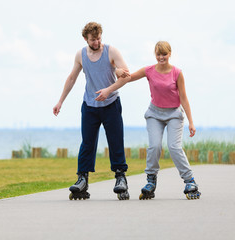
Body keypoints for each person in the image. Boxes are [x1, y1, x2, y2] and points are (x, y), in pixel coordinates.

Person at [97, 41, 201, 200]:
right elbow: (128, 77)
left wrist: (191, 122)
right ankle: (151, 180)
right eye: (158, 54)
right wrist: (117, 71)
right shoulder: (149, 71)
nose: (161, 57)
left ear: (170, 54)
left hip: (174, 113)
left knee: (174, 147)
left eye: (164, 54)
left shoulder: (177, 73)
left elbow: (184, 98)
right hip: (155, 114)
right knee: (154, 146)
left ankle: (190, 181)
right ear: (155, 54)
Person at [53, 22, 131, 200]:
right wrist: (60, 101)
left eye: (98, 39)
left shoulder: (111, 51)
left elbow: (127, 76)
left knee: (115, 140)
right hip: (89, 105)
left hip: (111, 103)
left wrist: (108, 90)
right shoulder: (81, 55)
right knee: (87, 143)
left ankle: (120, 178)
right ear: (85, 39)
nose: (96, 43)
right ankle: (82, 179)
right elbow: (72, 77)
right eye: (93, 40)